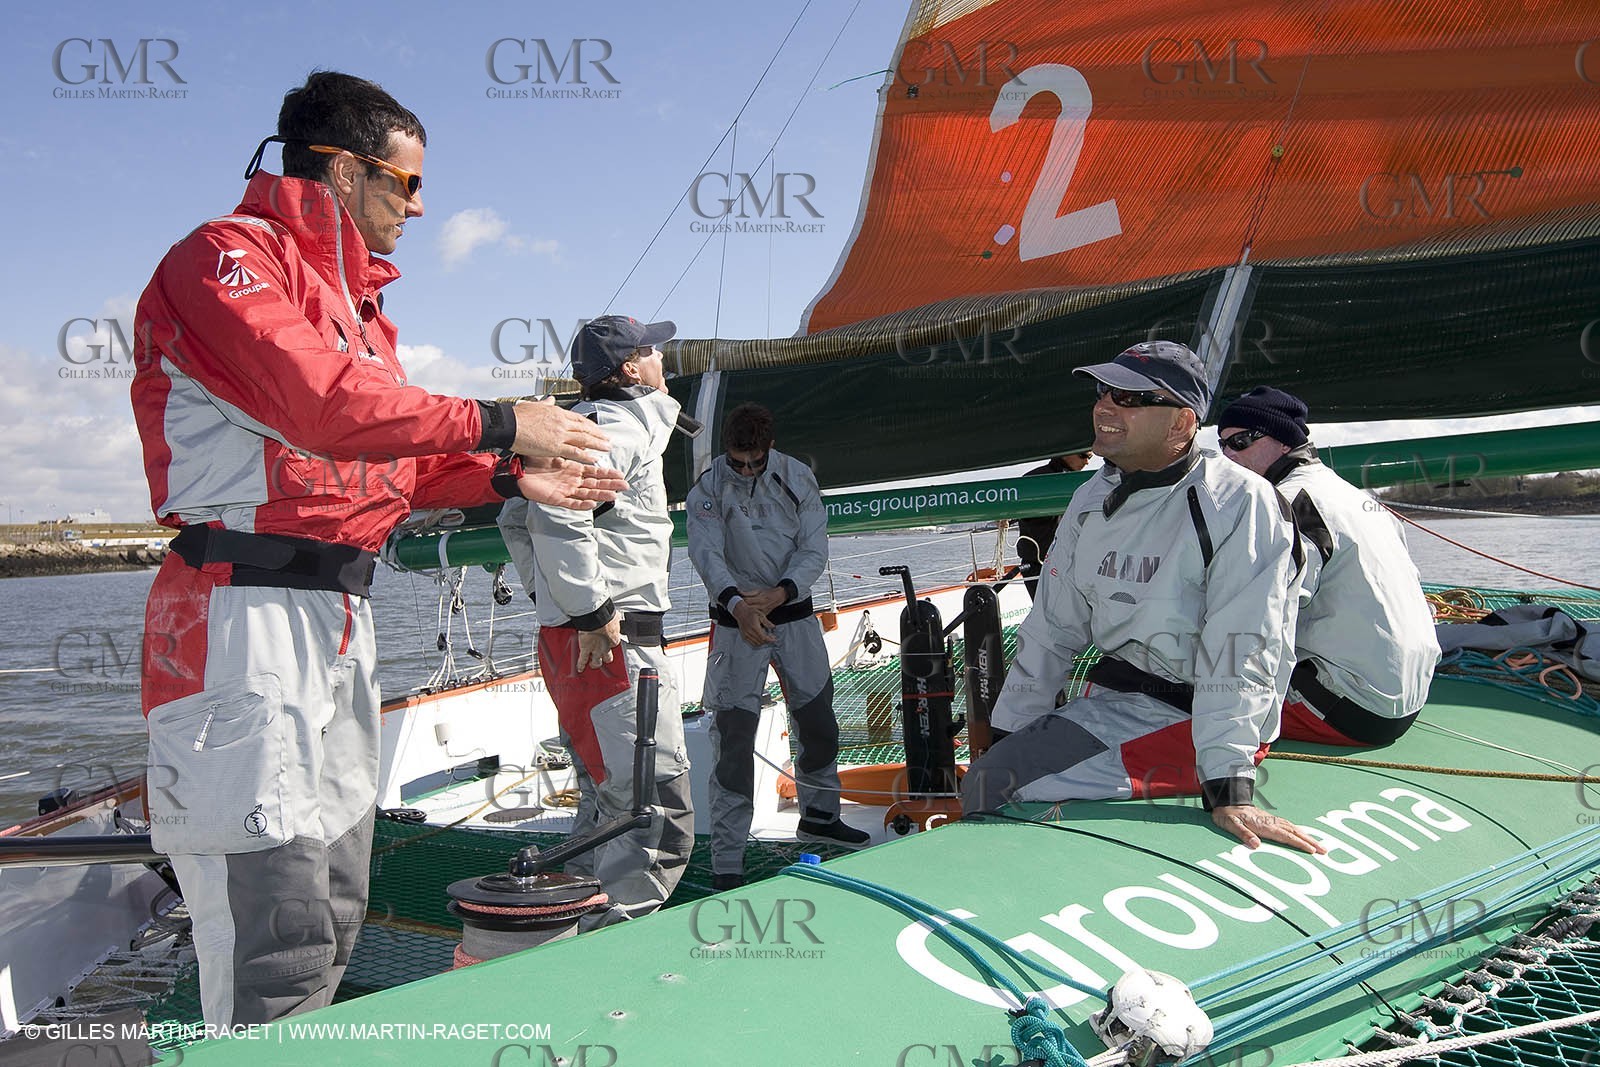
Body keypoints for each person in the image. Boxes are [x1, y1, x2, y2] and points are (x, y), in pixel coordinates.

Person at [130, 72, 623, 1028]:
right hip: (241, 618)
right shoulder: (224, 258)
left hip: (338, 623)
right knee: (274, 930)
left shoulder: (357, 309)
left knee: (334, 907)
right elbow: (322, 405)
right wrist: (502, 420)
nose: (420, 205)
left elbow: (384, 461)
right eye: (407, 181)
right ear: (347, 170)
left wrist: (509, 475)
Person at [960, 342, 1323, 855]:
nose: (1105, 406)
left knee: (994, 783)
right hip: (1123, 698)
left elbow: (1242, 650)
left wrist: (1229, 788)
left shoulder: (1241, 503)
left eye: (1130, 398)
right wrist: (1008, 732)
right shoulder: (1092, 496)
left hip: (1194, 718)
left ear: (1181, 423)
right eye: (1102, 392)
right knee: (990, 770)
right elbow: (1052, 628)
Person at [500, 315, 695, 927]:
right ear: (631, 367)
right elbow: (557, 516)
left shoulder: (583, 425)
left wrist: (557, 604)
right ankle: (613, 946)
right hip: (611, 645)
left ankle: (571, 931)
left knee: (604, 802)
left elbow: (517, 516)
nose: (663, 359)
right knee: (652, 809)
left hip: (579, 645)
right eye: (653, 351)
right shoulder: (615, 428)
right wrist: (591, 611)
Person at [686, 403, 871, 891]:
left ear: (770, 447)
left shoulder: (798, 478)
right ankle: (728, 858)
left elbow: (814, 547)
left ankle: (820, 817)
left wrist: (781, 593)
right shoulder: (708, 487)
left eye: (755, 462)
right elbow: (705, 552)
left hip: (794, 616)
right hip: (735, 625)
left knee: (819, 723)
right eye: (737, 462)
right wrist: (738, 605)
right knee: (733, 741)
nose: (746, 471)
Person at [1215, 387, 1440, 746]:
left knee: (1178, 683)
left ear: (1284, 443)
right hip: (1406, 701)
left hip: (1346, 708)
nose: (1228, 455)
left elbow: (1259, 615)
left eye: (1240, 442)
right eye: (1222, 445)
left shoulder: (1286, 504)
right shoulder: (1357, 497)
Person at [1016, 452, 1095, 600]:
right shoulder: (1034, 479)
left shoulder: (1084, 483)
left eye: (1090, 458)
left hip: (1070, 563)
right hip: (1040, 565)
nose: (1086, 462)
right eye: (1083, 456)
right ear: (1066, 453)